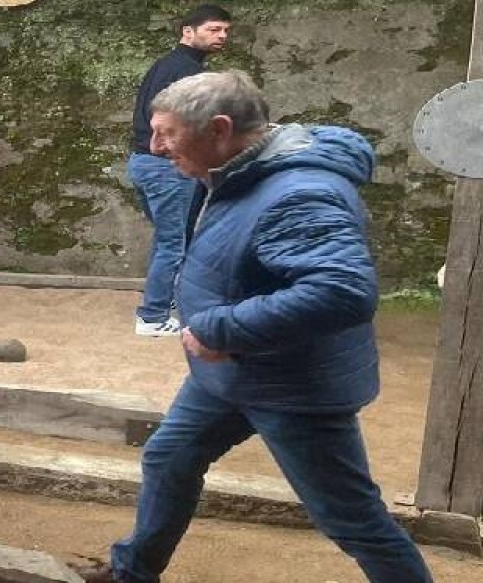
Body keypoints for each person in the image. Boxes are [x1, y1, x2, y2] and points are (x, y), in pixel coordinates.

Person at [77, 71, 433, 583]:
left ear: (220, 129)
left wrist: (221, 330)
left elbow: (342, 291)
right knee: (169, 457)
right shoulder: (240, 171)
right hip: (230, 376)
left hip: (293, 387)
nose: (155, 148)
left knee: (352, 519)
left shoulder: (299, 193)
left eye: (167, 133)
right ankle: (132, 572)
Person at [127, 4, 232, 337]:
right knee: (173, 243)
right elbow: (171, 123)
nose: (222, 36)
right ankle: (152, 317)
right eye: (214, 29)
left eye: (225, 31)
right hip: (163, 168)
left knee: (169, 239)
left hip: (146, 164)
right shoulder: (184, 71)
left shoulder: (170, 66)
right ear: (188, 31)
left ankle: (166, 303)